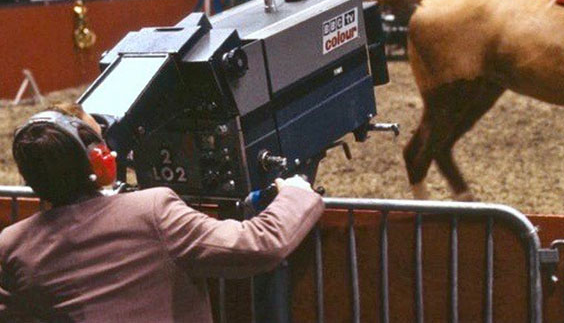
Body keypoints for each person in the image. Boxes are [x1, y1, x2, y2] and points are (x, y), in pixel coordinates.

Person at [0, 104, 324, 322]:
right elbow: (259, 244)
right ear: (100, 159)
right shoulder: (149, 211)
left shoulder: (13, 246)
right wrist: (296, 193)